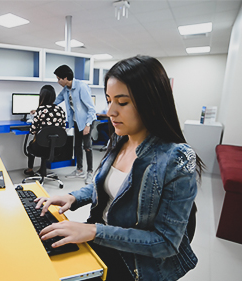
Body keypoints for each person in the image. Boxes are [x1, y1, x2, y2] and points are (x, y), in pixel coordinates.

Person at [35, 56, 203, 281]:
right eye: (108, 100)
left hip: (133, 261)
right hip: (101, 238)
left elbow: (167, 243)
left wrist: (94, 231)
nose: (110, 111)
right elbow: (110, 187)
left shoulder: (176, 158)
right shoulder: (120, 139)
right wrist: (73, 197)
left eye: (122, 102)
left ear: (151, 102)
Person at [54, 65, 96, 184]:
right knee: (77, 146)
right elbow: (56, 101)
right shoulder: (66, 89)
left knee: (87, 147)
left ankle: (90, 172)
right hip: (76, 121)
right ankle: (79, 169)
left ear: (66, 78)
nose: (58, 82)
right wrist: (40, 108)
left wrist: (88, 125)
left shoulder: (82, 87)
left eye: (59, 79)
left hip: (87, 121)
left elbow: (91, 109)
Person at [24, 85, 66, 176]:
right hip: (57, 148)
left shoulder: (40, 110)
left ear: (42, 96)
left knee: (31, 145)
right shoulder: (60, 110)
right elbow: (63, 129)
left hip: (40, 148)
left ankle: (30, 169)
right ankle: (41, 170)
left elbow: (33, 131)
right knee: (46, 143)